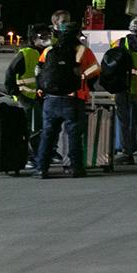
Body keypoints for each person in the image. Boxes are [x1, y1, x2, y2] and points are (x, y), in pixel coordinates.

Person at [32, 11, 101, 179]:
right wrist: (83, 79)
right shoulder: (83, 51)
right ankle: (76, 168)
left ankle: (41, 168)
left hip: (51, 99)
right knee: (74, 135)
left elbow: (38, 71)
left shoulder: (49, 50)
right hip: (74, 98)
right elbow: (95, 70)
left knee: (48, 135)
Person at [105, 18, 137, 165]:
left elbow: (110, 64)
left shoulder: (119, 43)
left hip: (123, 88)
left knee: (124, 122)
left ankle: (127, 153)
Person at [2, 30, 44, 137]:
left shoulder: (48, 52)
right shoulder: (26, 53)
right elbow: (10, 73)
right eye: (42, 37)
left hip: (44, 97)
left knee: (41, 128)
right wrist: (14, 92)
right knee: (28, 127)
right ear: (34, 39)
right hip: (27, 96)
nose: (46, 39)